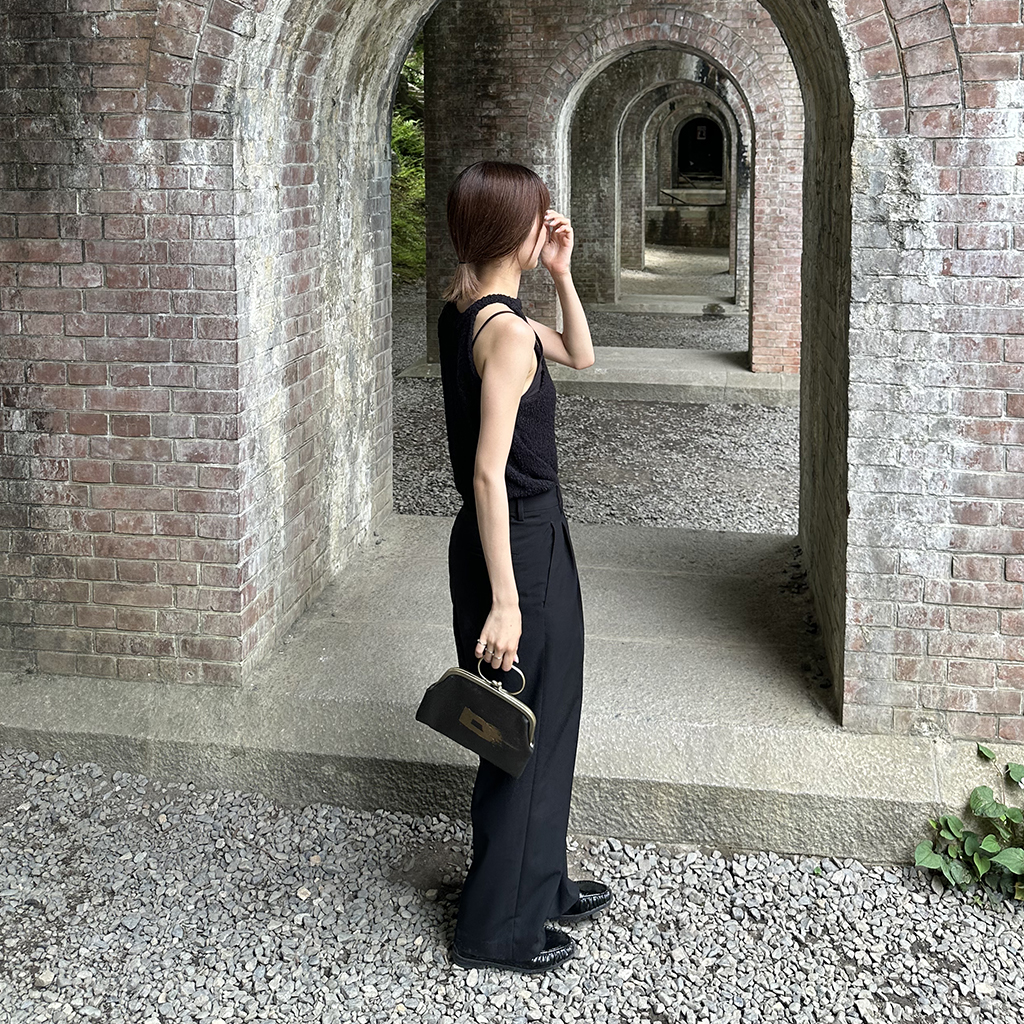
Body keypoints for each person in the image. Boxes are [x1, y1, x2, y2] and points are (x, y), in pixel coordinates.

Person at [437, 160, 613, 974]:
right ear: (516, 229)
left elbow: (580, 353)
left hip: (511, 538)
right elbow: (486, 474)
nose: (550, 224)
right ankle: (496, 930)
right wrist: (506, 603)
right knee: (524, 733)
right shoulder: (505, 335)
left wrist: (563, 274)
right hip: (518, 544)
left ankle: (538, 884)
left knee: (539, 719)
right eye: (541, 216)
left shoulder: (473, 308)